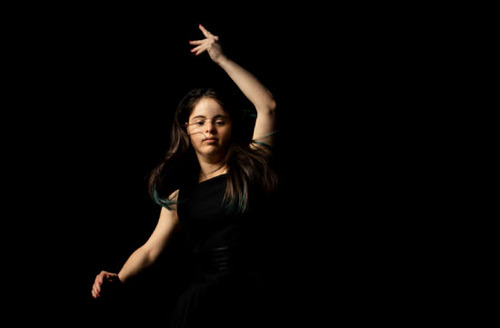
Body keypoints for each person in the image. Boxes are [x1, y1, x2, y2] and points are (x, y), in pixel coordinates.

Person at [91, 24, 279, 327]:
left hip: (253, 299)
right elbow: (151, 250)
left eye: (219, 121)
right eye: (200, 121)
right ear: (187, 130)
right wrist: (119, 277)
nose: (209, 129)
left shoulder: (252, 168)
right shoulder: (181, 196)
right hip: (201, 309)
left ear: (231, 128)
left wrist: (221, 59)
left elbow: (266, 106)